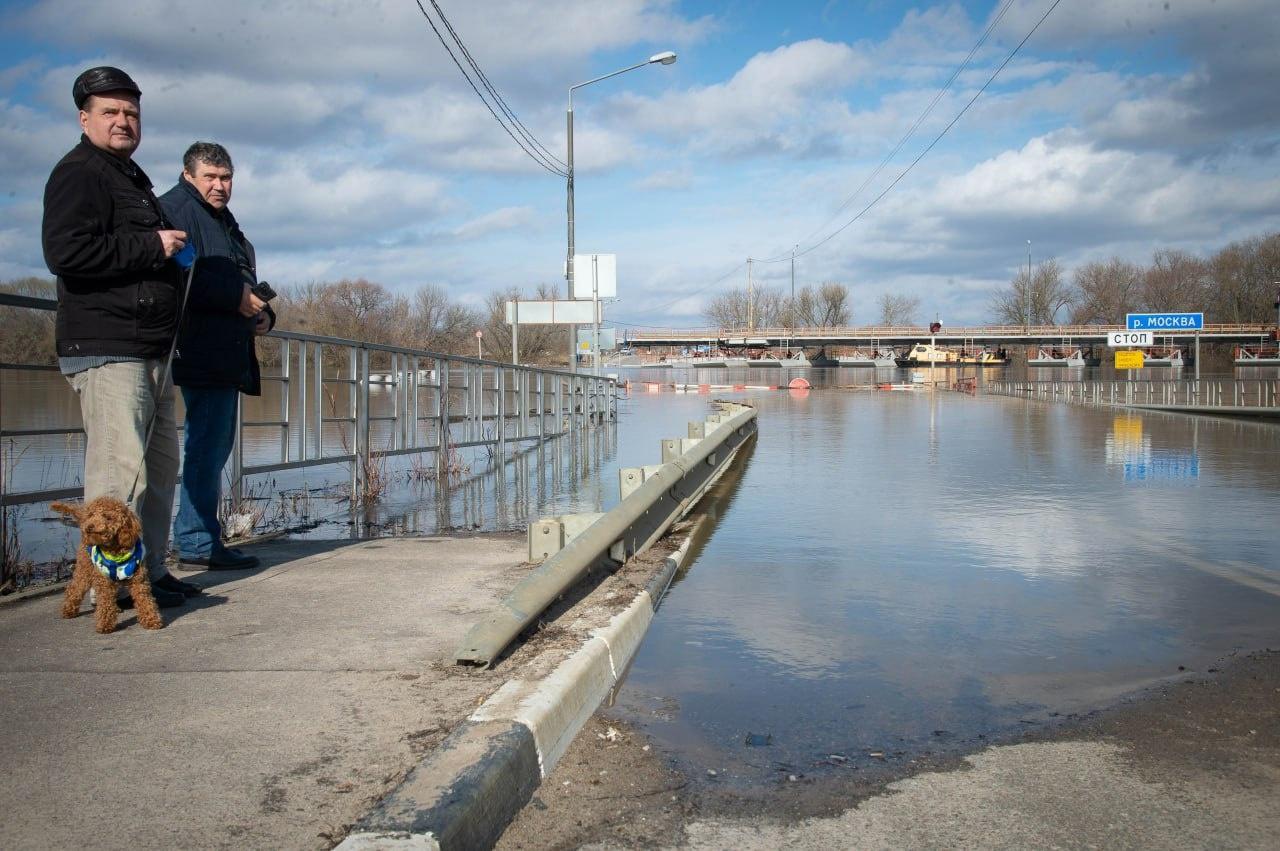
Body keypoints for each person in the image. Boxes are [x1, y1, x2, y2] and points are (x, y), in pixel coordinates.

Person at [42, 66, 200, 606]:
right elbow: (66, 254)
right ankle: (109, 589)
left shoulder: (131, 178)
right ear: (84, 117)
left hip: (151, 351)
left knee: (158, 472)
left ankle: (148, 573)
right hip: (109, 350)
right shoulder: (79, 173)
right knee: (118, 477)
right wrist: (153, 248)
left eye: (131, 111)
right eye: (110, 111)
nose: (123, 120)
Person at [159, 142, 274, 570]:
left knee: (213, 446)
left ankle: (200, 539)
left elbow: (241, 279)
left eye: (226, 178)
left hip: (225, 349)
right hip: (199, 349)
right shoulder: (175, 210)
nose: (220, 185)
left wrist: (263, 315)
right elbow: (178, 279)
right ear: (189, 175)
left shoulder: (222, 222)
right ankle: (195, 543)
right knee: (206, 447)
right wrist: (235, 297)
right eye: (210, 177)